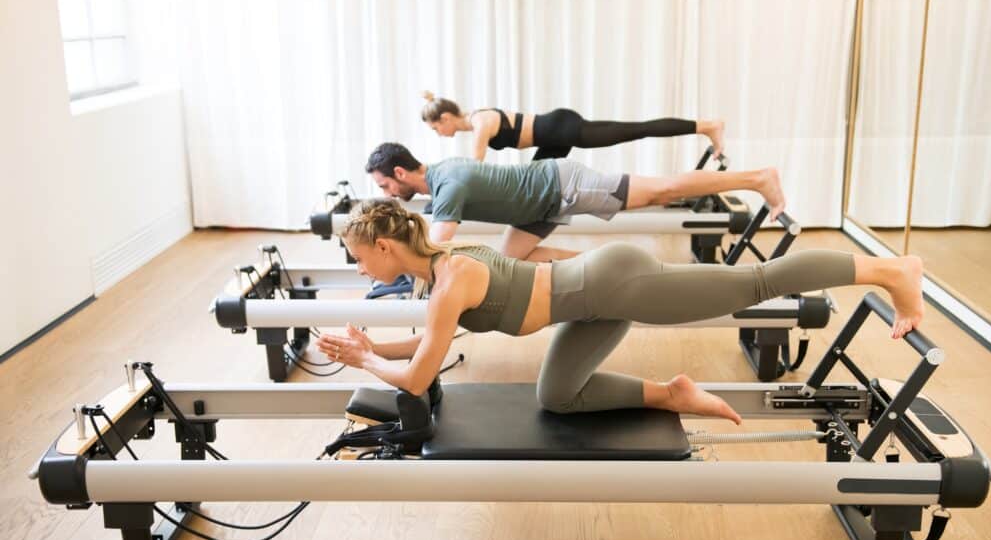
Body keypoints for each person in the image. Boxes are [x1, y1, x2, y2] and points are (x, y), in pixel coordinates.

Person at [316, 200, 925, 424]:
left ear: (385, 246)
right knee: (557, 395)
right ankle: (673, 393)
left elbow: (419, 378)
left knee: (754, 283)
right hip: (591, 304)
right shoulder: (439, 270)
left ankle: (890, 269)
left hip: (615, 284)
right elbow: (425, 351)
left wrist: (367, 357)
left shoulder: (449, 279)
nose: (363, 270)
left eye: (361, 259)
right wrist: (365, 353)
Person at [365, 142, 785, 262]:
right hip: (535, 209)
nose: (387, 194)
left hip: (559, 186)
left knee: (663, 190)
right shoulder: (441, 177)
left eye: (385, 186)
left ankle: (756, 177)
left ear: (401, 174)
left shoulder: (447, 184)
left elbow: (438, 246)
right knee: (512, 261)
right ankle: (611, 269)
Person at [420, 91, 726, 162]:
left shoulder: (479, 121)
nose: (440, 134)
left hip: (560, 129)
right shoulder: (477, 121)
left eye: (436, 128)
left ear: (445, 118)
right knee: (538, 184)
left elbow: (476, 166)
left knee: (637, 129)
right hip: (552, 138)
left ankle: (708, 125)